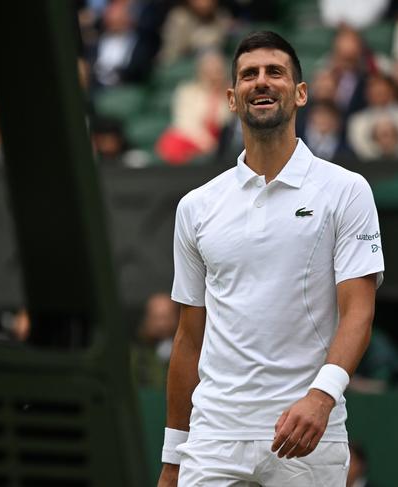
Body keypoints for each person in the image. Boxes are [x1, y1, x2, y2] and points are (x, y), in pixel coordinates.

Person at [158, 31, 384, 487]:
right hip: (213, 438)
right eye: (249, 75)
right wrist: (171, 458)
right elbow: (189, 337)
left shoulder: (347, 190)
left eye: (274, 72)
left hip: (310, 434)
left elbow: (358, 310)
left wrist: (322, 396)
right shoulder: (196, 207)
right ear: (232, 98)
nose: (261, 82)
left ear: (300, 93)